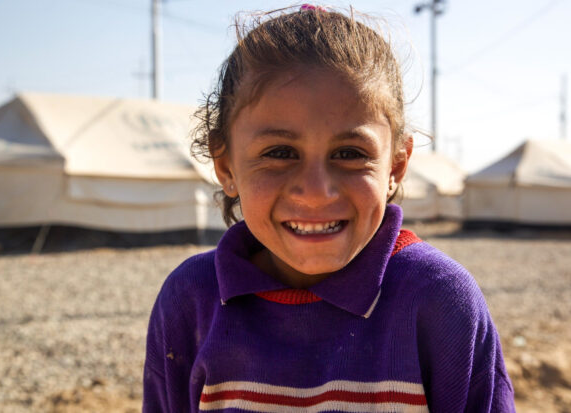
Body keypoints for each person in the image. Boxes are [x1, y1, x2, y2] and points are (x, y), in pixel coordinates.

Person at [143, 5, 515, 412]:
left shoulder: (438, 301)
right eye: (280, 152)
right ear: (225, 165)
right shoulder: (192, 301)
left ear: (396, 165)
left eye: (350, 153)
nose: (316, 192)